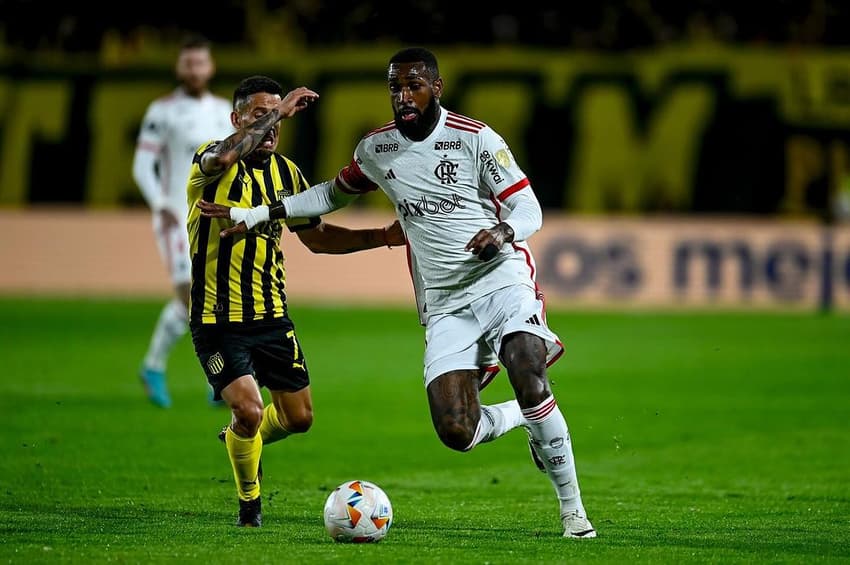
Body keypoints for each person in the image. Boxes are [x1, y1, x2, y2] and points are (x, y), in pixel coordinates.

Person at [198, 48, 596, 538]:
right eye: (395, 88)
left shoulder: (476, 140)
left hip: (500, 280)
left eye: (414, 85)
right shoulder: (376, 150)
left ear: (437, 87)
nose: (404, 96)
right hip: (444, 303)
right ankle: (527, 418)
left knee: (526, 364)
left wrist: (504, 233)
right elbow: (330, 195)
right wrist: (257, 214)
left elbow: (528, 208)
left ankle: (573, 514)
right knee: (457, 430)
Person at [187, 75, 405, 528]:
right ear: (236, 119)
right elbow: (227, 153)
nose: (270, 128)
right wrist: (281, 108)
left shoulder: (288, 175)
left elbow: (318, 239)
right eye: (259, 116)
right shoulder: (210, 163)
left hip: (272, 317)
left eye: (276, 121)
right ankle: (250, 504)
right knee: (248, 409)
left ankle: (240, 439)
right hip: (217, 319)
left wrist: (382, 236)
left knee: (299, 418)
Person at [132, 34, 234, 408]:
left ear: (211, 67)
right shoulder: (162, 111)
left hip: (215, 216)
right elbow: (142, 165)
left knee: (216, 296)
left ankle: (214, 378)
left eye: (200, 63)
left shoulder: (225, 110)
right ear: (179, 67)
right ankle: (160, 367)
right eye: (188, 63)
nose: (194, 70)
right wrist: (160, 203)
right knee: (190, 295)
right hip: (177, 216)